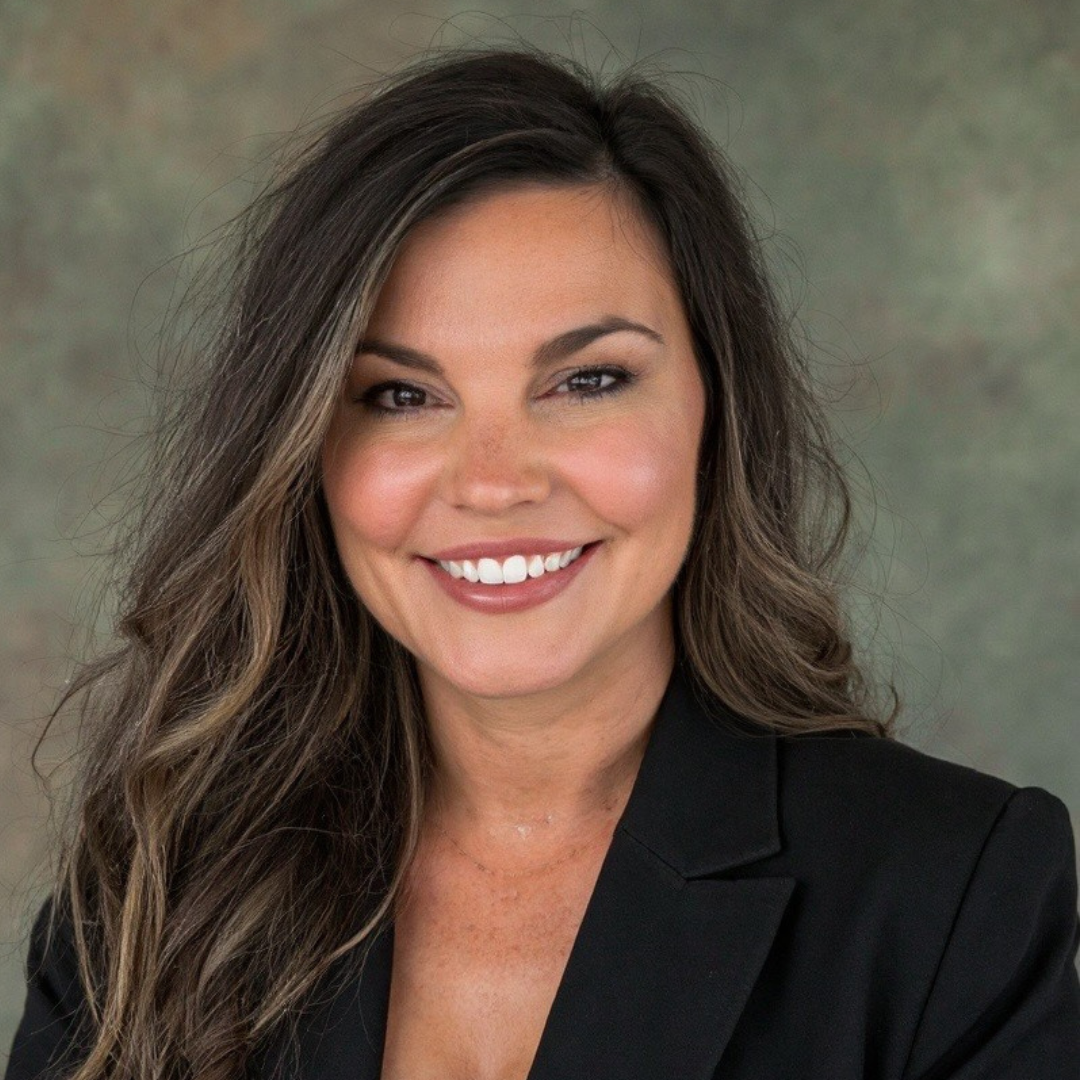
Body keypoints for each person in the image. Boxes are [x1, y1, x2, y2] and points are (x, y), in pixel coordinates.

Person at [5, 42, 1079, 1080]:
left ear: (716, 408)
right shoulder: (155, 896)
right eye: (401, 395)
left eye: (587, 381)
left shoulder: (951, 897)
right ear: (305, 453)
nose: (493, 482)